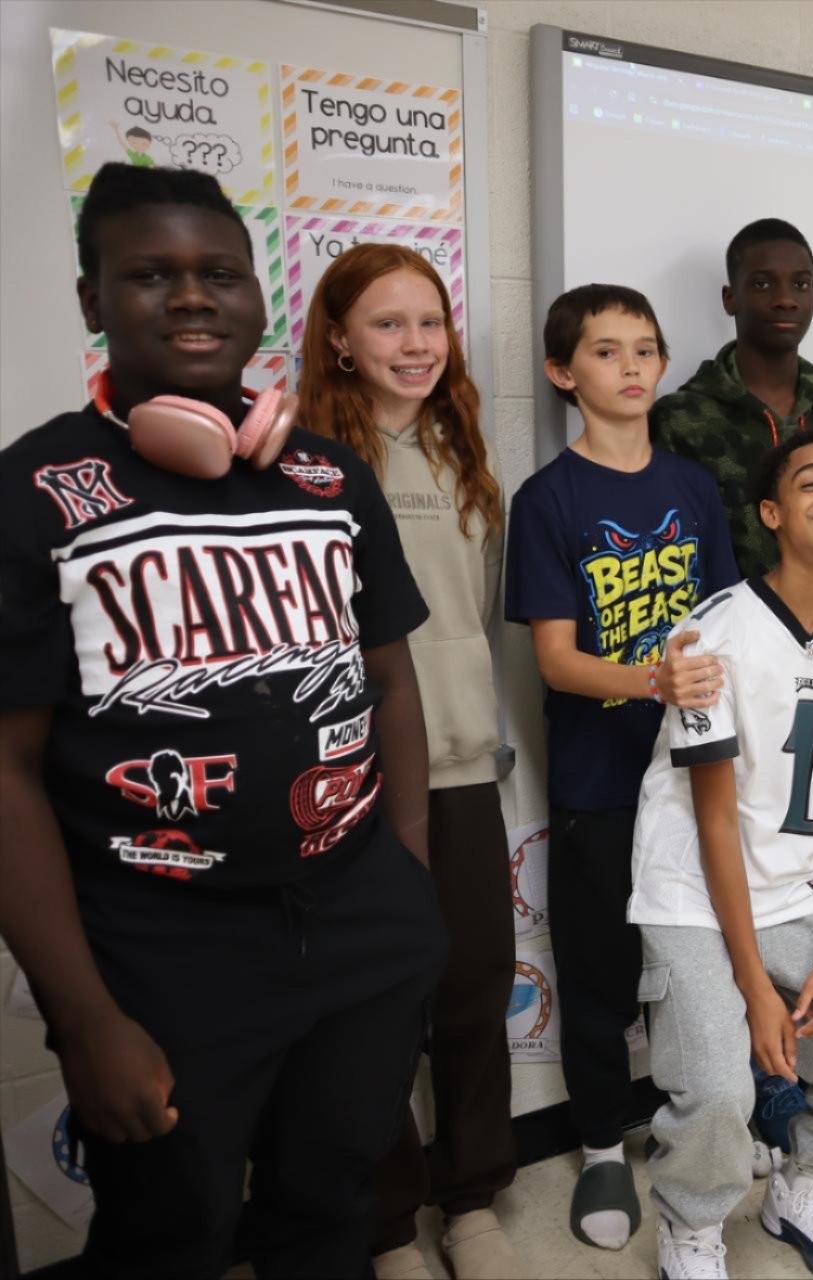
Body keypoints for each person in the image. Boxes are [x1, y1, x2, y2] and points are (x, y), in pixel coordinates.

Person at [0, 163, 445, 1276]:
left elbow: (390, 682)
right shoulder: (34, 488)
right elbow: (4, 768)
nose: (192, 297)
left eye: (220, 274)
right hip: (161, 945)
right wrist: (86, 1012)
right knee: (171, 1233)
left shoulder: (328, 475)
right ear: (93, 299)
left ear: (258, 299)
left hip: (358, 919)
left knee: (337, 1204)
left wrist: (406, 891)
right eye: (150, 273)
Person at [631, 432, 813, 1280]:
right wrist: (756, 988)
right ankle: (693, 1224)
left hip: (793, 894)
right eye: (809, 482)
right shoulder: (712, 637)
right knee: (721, 1086)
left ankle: (802, 1186)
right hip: (693, 895)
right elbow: (715, 824)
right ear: (771, 513)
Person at [297, 243, 521, 1278]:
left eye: (429, 322)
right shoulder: (296, 465)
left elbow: (473, 621)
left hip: (463, 768)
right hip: (351, 783)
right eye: (388, 324)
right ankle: (389, 1225)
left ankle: (472, 1203)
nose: (415, 344)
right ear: (338, 338)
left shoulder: (466, 456)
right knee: (371, 1010)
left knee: (472, 990)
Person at [650, 217, 813, 1147]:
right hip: (734, 678)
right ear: (731, 297)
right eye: (762, 283)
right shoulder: (683, 414)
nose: (783, 299)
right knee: (730, 868)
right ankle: (754, 1093)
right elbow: (681, 565)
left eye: (799, 283)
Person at [504, 284, 738, 1252]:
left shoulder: (690, 486)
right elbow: (556, 659)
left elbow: (729, 622)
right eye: (607, 351)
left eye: (645, 348)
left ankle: (709, 1119)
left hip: (695, 775)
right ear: (566, 373)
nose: (633, 366)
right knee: (599, 969)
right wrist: (657, 676)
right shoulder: (546, 498)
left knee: (702, 966)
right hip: (601, 776)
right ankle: (602, 1139)